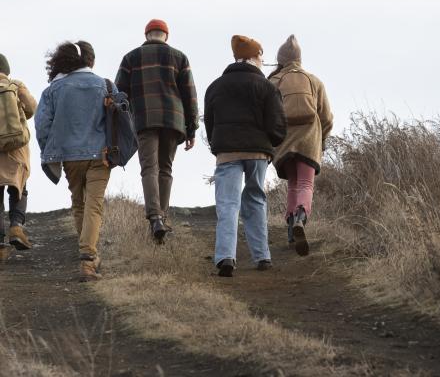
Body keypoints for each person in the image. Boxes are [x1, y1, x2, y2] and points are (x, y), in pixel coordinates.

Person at [204, 35, 287, 277]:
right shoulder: (266, 87)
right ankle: (262, 257)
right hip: (258, 151)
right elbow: (277, 124)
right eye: (261, 55)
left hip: (227, 152)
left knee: (228, 205)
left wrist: (217, 145)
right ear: (253, 56)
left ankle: (225, 257)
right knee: (255, 200)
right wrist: (270, 143)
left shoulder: (215, 86)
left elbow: (210, 122)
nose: (263, 60)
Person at [115, 19, 199, 243]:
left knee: (149, 168)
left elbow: (119, 96)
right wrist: (192, 129)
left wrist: (121, 126)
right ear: (166, 35)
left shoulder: (131, 58)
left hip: (144, 119)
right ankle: (163, 215)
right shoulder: (179, 57)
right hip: (173, 121)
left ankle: (155, 218)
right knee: (166, 168)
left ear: (147, 35)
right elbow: (190, 95)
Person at [35, 41, 112, 281]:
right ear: (90, 61)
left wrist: (51, 150)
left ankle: (88, 255)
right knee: (94, 204)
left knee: (79, 204)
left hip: (69, 156)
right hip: (101, 155)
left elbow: (42, 126)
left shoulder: (53, 89)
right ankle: (88, 259)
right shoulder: (105, 85)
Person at [268, 35, 333, 256]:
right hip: (309, 140)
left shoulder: (274, 81)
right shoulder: (314, 81)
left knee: (293, 184)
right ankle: (300, 217)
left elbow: (268, 115)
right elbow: (326, 117)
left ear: (280, 59)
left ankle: (290, 228)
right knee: (306, 183)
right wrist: (322, 138)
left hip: (285, 142)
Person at [0, 54, 37, 262]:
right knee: (19, 188)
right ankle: (16, 227)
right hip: (16, 147)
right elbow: (31, 108)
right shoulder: (16, 85)